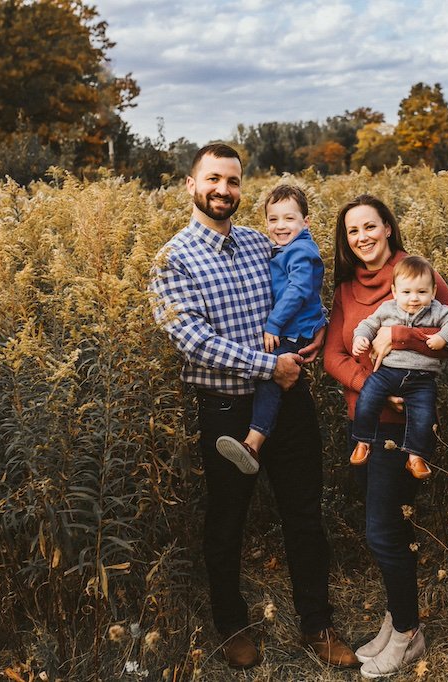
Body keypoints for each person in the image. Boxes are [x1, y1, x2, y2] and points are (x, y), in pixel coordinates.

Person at [149, 143, 357, 670]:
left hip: (289, 398)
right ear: (191, 186)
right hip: (225, 408)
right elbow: (192, 340)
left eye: (234, 181)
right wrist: (271, 366)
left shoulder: (259, 242)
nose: (224, 190)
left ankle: (318, 625)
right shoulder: (173, 259)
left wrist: (316, 338)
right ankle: (232, 626)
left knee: (304, 515)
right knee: (227, 520)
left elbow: (302, 290)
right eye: (213, 179)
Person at [323, 195, 448, 678]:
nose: (362, 237)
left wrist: (401, 338)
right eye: (353, 231)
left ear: (388, 228)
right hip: (366, 420)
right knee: (387, 528)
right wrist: (376, 388)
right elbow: (332, 356)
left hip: (404, 429)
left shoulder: (416, 275)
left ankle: (408, 635)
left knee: (383, 531)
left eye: (371, 226)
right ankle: (395, 621)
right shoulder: (346, 289)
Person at [215, 184, 327, 474]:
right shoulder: (285, 248)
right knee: (270, 378)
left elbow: (300, 289)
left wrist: (273, 324)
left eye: (289, 219)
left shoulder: (301, 251)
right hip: (295, 326)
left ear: (306, 222)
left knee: (269, 379)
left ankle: (253, 442)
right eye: (273, 219)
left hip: (293, 331)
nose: (280, 226)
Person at [350, 255, 448, 480]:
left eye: (421, 292)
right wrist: (360, 339)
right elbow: (367, 324)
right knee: (367, 397)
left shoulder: (437, 310)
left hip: (422, 379)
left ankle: (415, 457)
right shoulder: (387, 309)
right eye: (406, 292)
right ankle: (363, 441)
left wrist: (443, 337)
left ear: (433, 292)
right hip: (387, 372)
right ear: (395, 292)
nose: (414, 299)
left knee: (424, 415)